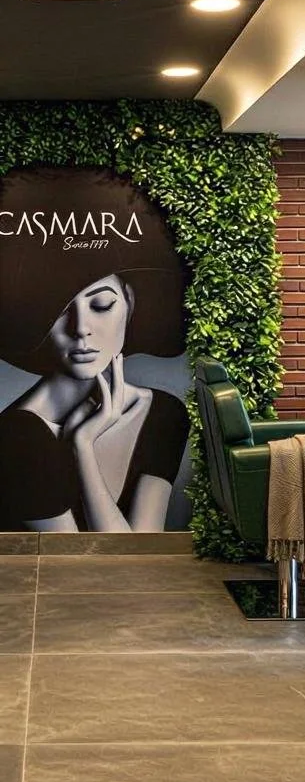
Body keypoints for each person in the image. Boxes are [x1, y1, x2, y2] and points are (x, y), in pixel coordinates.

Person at [0, 168, 188, 532]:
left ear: (129, 305)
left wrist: (82, 444)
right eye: (58, 313)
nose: (81, 328)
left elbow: (142, 552)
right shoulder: (17, 437)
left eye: (101, 304)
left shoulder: (163, 413)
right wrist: (82, 444)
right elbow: (93, 566)